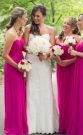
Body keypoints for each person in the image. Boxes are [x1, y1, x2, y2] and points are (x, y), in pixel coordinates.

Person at [23, 4, 58, 134]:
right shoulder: (28, 28)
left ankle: (47, 123)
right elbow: (24, 46)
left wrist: (45, 54)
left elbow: (52, 47)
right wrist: (34, 49)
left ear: (44, 16)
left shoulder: (51, 29)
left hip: (44, 63)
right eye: (33, 16)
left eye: (38, 16)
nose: (35, 18)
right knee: (32, 90)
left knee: (45, 89)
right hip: (33, 62)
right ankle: (31, 124)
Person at [2, 7, 28, 135]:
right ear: (19, 18)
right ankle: (13, 127)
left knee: (20, 97)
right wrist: (17, 66)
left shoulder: (19, 31)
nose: (26, 19)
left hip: (20, 66)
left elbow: (21, 47)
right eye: (25, 17)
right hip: (13, 68)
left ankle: (20, 124)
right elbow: (5, 55)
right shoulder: (11, 33)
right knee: (14, 97)